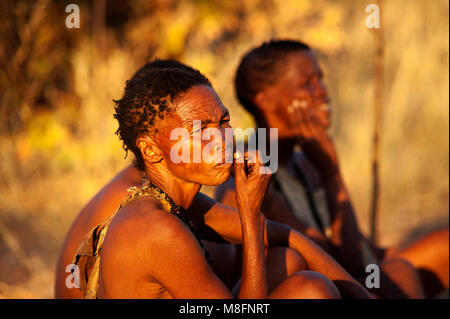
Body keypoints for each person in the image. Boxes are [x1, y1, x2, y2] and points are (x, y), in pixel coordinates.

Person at [62, 61, 374, 299]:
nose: (222, 140)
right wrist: (250, 212)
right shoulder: (155, 227)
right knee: (311, 290)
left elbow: (288, 237)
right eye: (200, 130)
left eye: (223, 122)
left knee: (288, 260)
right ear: (151, 149)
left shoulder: (178, 203)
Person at [215, 39, 448, 298]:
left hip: (344, 275)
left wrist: (331, 172)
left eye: (320, 80)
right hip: (309, 287)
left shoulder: (304, 162)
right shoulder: (249, 166)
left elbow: (354, 254)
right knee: (398, 271)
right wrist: (330, 173)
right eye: (307, 84)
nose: (323, 92)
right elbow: (334, 261)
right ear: (265, 101)